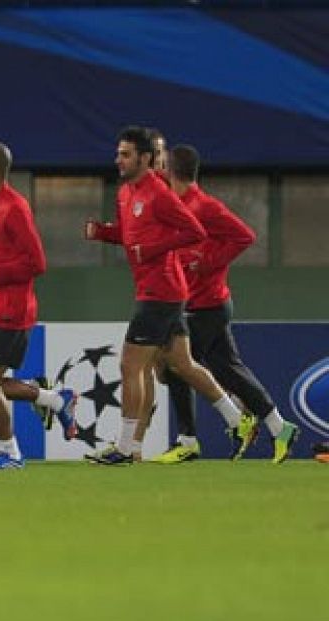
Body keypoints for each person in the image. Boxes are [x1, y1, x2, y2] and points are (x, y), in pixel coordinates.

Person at [83, 126, 244, 465]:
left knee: (131, 365)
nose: (118, 160)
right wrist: (103, 233)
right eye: (118, 153)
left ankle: (126, 448)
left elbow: (194, 231)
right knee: (182, 365)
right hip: (159, 289)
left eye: (126, 154)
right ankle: (237, 421)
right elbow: (129, 237)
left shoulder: (159, 192)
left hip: (162, 291)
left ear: (144, 158)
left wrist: (152, 249)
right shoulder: (126, 194)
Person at [150, 144, 298, 464]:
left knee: (176, 366)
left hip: (205, 305)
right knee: (228, 371)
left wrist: (205, 263)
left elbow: (245, 236)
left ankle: (190, 439)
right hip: (200, 302)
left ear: (172, 169)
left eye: (163, 165)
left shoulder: (204, 206)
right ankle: (279, 426)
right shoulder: (173, 200)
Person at [0, 142, 78, 468]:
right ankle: (55, 401)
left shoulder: (14, 207)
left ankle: (11, 453)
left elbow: (37, 263)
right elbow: (3, 261)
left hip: (11, 311)